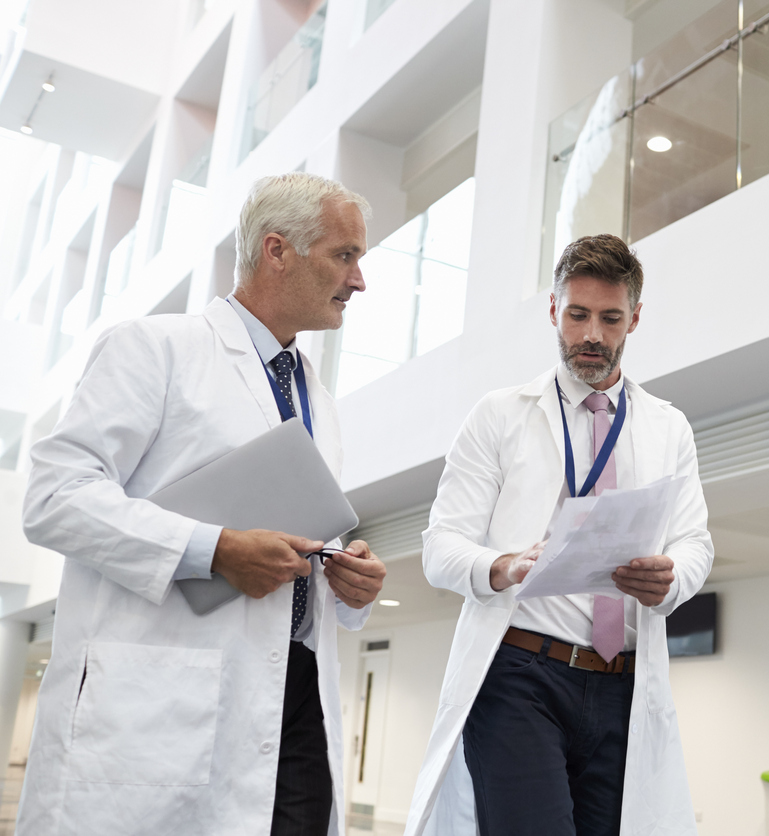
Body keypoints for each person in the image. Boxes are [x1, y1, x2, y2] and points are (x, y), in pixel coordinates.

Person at [18, 172, 387, 836]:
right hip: (169, 696)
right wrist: (213, 550)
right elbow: (54, 494)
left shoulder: (318, 400)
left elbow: (295, 542)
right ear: (278, 251)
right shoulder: (156, 348)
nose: (359, 280)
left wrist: (349, 587)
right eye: (345, 254)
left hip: (296, 697)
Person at [404, 234, 714, 836]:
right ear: (553, 311)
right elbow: (441, 548)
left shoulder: (667, 427)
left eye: (609, 317)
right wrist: (505, 566)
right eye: (577, 315)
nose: (592, 334)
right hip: (522, 675)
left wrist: (671, 579)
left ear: (635, 319)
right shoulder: (499, 415)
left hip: (622, 683)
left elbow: (695, 542)